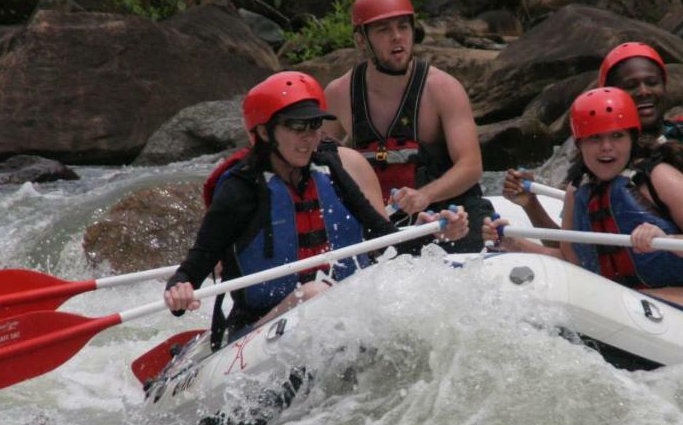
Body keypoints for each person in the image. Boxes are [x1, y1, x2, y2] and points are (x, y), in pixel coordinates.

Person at [164, 71, 468, 340]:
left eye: (314, 126)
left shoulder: (330, 168)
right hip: (260, 328)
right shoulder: (240, 189)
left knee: (327, 293)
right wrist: (179, 290)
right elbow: (196, 265)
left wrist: (432, 233)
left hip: (341, 313)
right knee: (314, 293)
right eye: (297, 127)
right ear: (264, 131)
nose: (309, 139)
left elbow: (383, 239)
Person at [484, 87, 683, 328]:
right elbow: (573, 261)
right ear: (579, 144)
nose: (607, 147)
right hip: (624, 304)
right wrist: (515, 244)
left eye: (617, 136)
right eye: (595, 138)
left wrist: (667, 240)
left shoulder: (659, 178)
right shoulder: (579, 190)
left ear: (632, 138)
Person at [505, 42, 683, 246]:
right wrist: (531, 204)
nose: (644, 91)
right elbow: (573, 247)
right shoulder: (595, 161)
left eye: (652, 82)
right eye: (631, 85)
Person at [323, 0, 491, 251]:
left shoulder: (442, 89)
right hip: (385, 223)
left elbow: (471, 166)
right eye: (383, 30)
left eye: (403, 27)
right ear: (361, 40)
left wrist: (425, 195)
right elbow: (316, 163)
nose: (397, 37)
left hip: (450, 217)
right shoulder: (338, 94)